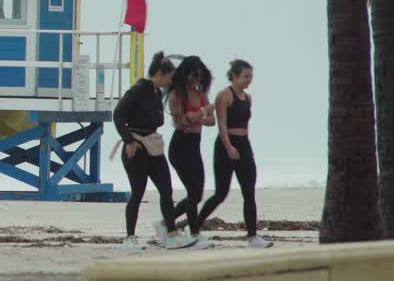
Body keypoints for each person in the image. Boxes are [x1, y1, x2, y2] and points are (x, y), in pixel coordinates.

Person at [112, 51, 196, 250]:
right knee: (138, 193)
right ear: (159, 73)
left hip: (154, 147)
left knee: (166, 189)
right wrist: (129, 141)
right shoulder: (138, 90)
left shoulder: (157, 93)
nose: (170, 81)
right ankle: (130, 238)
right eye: (169, 77)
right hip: (137, 147)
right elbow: (118, 115)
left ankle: (172, 235)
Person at [197, 59, 273, 248]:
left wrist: (242, 147)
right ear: (234, 76)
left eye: (251, 76)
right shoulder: (224, 95)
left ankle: (252, 237)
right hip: (225, 146)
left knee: (249, 191)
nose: (249, 80)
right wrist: (229, 147)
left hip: (244, 145)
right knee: (221, 193)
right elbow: (221, 124)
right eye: (246, 76)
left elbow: (244, 124)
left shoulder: (248, 98)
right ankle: (194, 227)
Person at [166, 56, 215, 248]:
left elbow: (211, 121)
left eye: (199, 77)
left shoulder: (201, 94)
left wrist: (197, 116)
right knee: (192, 191)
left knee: (198, 193)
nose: (196, 80)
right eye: (193, 76)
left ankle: (167, 221)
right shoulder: (176, 94)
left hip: (195, 144)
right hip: (180, 145)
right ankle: (193, 232)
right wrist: (202, 113)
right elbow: (181, 122)